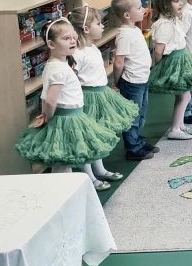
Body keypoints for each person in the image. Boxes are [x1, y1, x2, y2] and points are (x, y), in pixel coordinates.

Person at [15, 18, 119, 176]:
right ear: (51, 44)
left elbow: (47, 98)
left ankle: (79, 183)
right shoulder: (59, 69)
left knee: (64, 163)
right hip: (66, 120)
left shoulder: (57, 64)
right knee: (63, 165)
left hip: (70, 117)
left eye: (73, 37)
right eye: (66, 38)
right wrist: (48, 118)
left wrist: (45, 114)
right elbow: (50, 100)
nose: (72, 41)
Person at [67, 5, 135, 187]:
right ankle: (89, 175)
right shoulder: (77, 54)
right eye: (98, 23)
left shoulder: (93, 49)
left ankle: (100, 169)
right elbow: (73, 79)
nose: (103, 26)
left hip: (101, 95)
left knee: (98, 135)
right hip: (88, 99)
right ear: (86, 28)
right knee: (88, 138)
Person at [149, 0, 192, 140]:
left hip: (182, 58)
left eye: (180, 0)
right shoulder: (164, 24)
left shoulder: (173, 20)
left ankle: (180, 125)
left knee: (184, 96)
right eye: (176, 1)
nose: (180, 4)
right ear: (166, 5)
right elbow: (158, 49)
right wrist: (160, 67)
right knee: (184, 96)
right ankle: (175, 129)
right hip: (174, 62)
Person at [109, 0, 156, 161]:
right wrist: (117, 81)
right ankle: (132, 148)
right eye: (139, 7)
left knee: (141, 112)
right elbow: (118, 62)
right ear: (127, 15)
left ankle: (139, 141)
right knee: (132, 116)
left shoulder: (135, 29)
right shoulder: (124, 35)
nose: (143, 9)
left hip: (142, 79)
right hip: (132, 82)